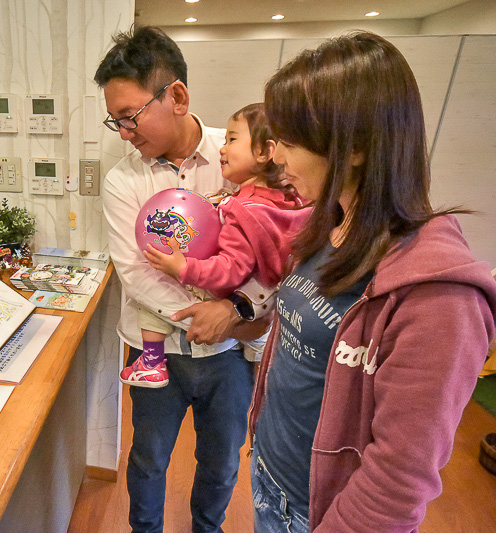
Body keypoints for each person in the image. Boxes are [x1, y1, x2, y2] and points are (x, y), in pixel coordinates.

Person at [246, 32, 496, 532]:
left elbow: (398, 478)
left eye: (290, 144)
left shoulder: (439, 298)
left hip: (319, 515)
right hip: (272, 478)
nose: (277, 159)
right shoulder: (327, 224)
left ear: (354, 148)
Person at [96, 26, 265, 532]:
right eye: (115, 121)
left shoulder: (240, 156)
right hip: (155, 352)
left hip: (231, 354)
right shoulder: (122, 179)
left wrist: (237, 313)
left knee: (221, 464)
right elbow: (134, 270)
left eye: (130, 116)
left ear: (177, 96)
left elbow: (276, 253)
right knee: (147, 460)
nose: (124, 132)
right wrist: (208, 313)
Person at [123, 103, 309, 387]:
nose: (222, 148)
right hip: (266, 298)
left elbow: (231, 268)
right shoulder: (285, 200)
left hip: (227, 293)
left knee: (151, 297)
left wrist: (185, 268)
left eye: (232, 140)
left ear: (263, 152)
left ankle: (151, 364)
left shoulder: (243, 209)